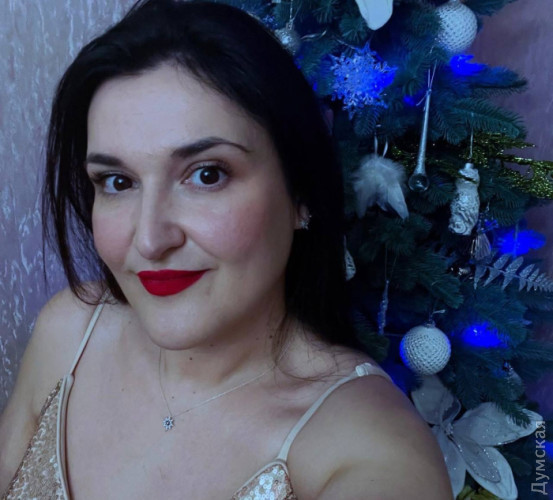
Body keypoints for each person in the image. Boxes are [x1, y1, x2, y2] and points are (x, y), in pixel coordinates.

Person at [0, 1, 453, 498]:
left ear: (301, 193)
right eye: (117, 181)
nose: (149, 239)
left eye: (207, 175)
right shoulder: (69, 333)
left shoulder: (370, 451)